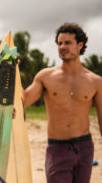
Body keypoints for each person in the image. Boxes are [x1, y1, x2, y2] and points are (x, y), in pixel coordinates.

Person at [24, 22, 102, 183]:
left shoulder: (95, 81)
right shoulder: (46, 76)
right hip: (57, 148)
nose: (62, 47)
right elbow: (23, 100)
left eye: (67, 42)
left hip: (85, 146)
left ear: (80, 45)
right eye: (59, 43)